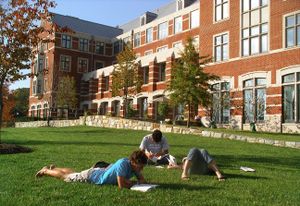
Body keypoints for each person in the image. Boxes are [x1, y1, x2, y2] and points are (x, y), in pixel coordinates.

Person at [35, 150, 148, 189]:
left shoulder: (134, 167)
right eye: (140, 166)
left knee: (73, 173)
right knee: (66, 177)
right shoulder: (123, 164)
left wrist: (136, 180)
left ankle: (54, 168)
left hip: (95, 172)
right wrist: (133, 182)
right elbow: (121, 185)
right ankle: (46, 170)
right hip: (91, 176)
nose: (141, 168)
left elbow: (143, 181)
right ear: (133, 162)